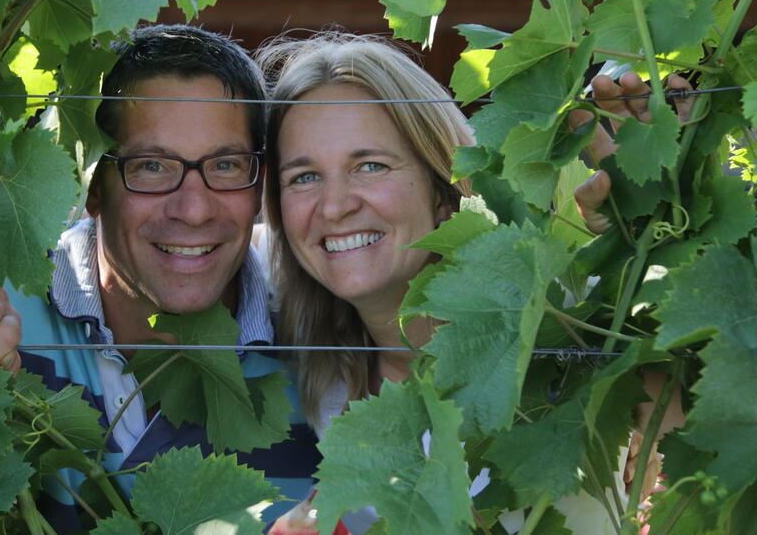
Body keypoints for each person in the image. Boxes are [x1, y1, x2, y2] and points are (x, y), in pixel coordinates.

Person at [258, 33, 687, 534]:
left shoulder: (573, 326)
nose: (334, 206)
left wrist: (661, 177)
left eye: (369, 165)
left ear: (444, 186)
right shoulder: (328, 379)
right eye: (303, 177)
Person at [0, 24, 320, 530]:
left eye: (226, 165)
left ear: (260, 186)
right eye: (151, 167)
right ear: (92, 185)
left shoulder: (322, 355)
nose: (192, 208)